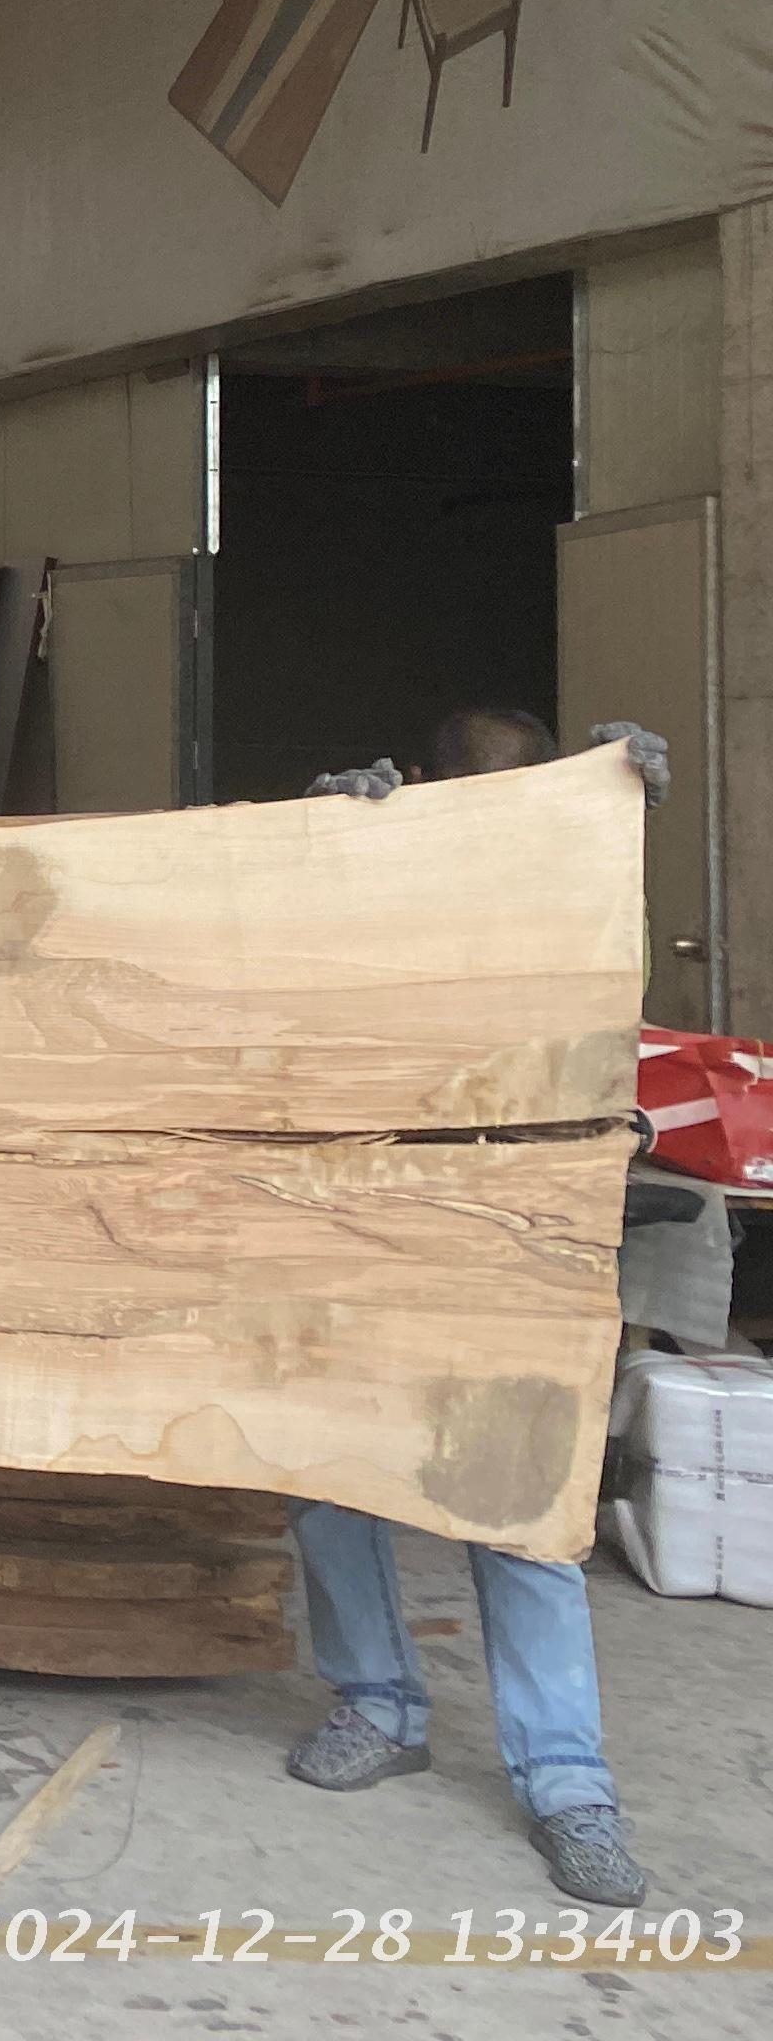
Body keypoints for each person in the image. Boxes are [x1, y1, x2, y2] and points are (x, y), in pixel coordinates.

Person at [288, 701, 653, 1909]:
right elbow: (282, 976)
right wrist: (321, 846)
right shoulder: (378, 871)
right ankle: (378, 1703)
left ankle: (568, 1780)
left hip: (515, 1228)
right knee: (332, 1472)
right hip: (369, 1211)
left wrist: (622, 814)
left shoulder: (564, 886)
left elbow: (602, 983)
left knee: (521, 1504)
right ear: (421, 784)